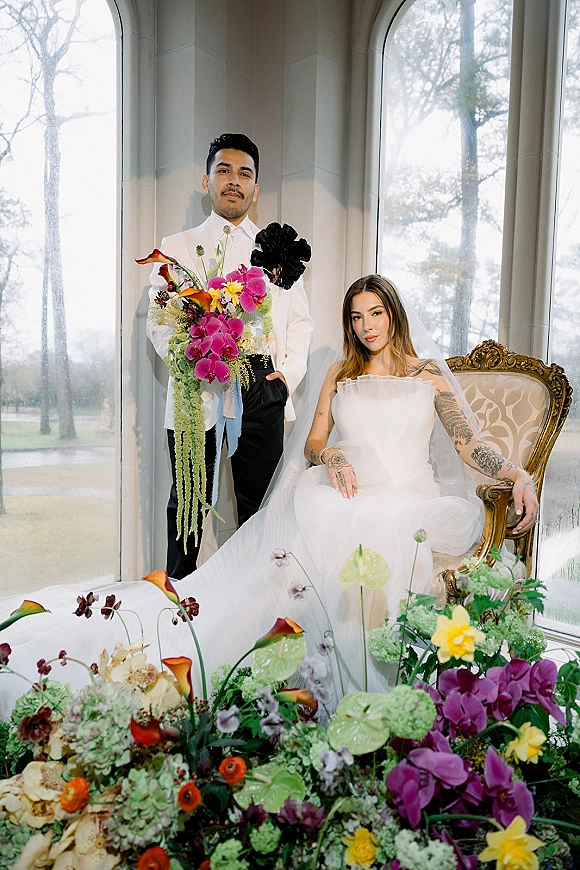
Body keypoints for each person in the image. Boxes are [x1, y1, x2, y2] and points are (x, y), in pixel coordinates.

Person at [0, 276, 538, 715]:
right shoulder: (339, 372)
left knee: (388, 531)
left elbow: (469, 447)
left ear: (393, 313)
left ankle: (375, 695)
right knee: (312, 519)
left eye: (375, 313)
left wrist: (514, 471)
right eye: (356, 316)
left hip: (407, 495)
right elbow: (314, 442)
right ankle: (296, 675)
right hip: (345, 486)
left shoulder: (427, 377)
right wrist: (333, 457)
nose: (366, 326)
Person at [146, 133, 314, 579]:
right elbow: (158, 320)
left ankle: (255, 604)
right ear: (207, 180)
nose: (233, 181)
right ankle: (177, 603)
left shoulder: (278, 248)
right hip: (194, 385)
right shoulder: (177, 246)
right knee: (186, 499)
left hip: (261, 387)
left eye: (244, 174)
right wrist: (187, 352)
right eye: (224, 170)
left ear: (256, 189)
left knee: (261, 505)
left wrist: (286, 377)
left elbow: (300, 323)